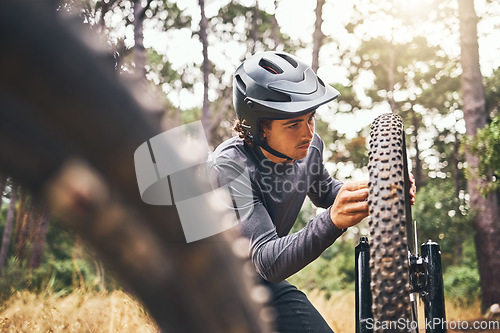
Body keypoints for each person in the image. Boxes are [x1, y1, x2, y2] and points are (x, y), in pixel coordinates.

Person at [210, 51, 415, 333]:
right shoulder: (231, 168)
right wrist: (332, 220)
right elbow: (267, 261)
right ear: (260, 129)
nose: (307, 133)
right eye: (293, 124)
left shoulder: (309, 150)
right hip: (205, 289)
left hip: (258, 283)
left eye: (311, 118)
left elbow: (326, 191)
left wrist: (382, 189)